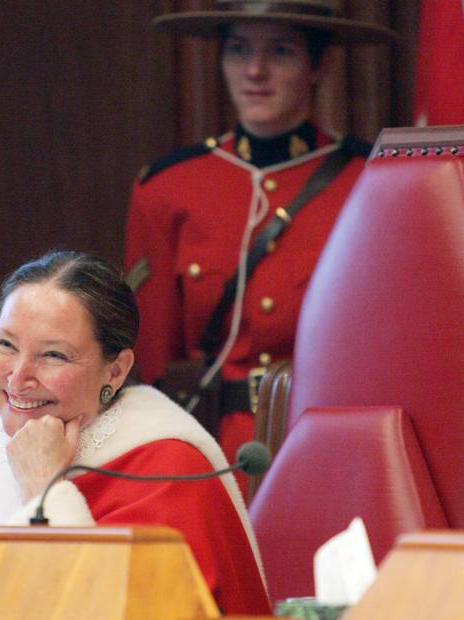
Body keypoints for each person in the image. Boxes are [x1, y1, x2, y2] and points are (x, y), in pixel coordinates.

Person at [0, 250, 271, 616]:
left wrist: (43, 486)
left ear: (115, 371)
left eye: (53, 355)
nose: (18, 377)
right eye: (5, 344)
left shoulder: (168, 467)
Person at [124, 0, 397, 497]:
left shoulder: (370, 182)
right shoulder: (169, 189)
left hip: (325, 446)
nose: (255, 70)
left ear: (320, 65)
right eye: (239, 48)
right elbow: (152, 356)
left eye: (282, 51)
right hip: (209, 450)